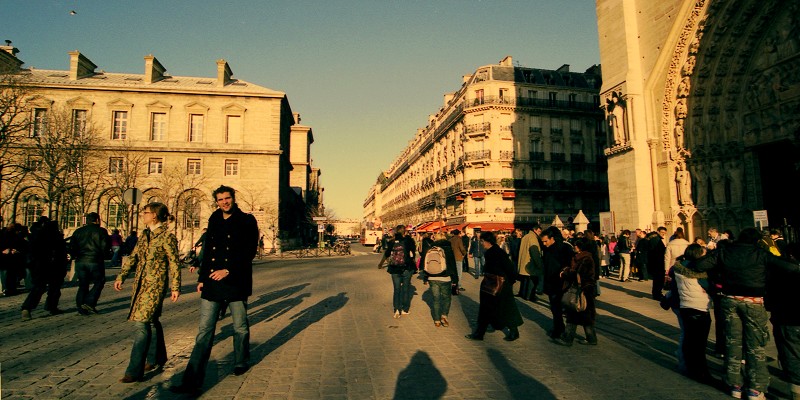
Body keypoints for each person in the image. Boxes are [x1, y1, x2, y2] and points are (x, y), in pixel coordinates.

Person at [171, 186, 259, 395]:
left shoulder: (247, 220)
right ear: (216, 202)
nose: (224, 202)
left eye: (227, 198)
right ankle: (192, 379)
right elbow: (208, 249)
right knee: (204, 331)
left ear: (233, 198)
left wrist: (228, 269)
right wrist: (202, 278)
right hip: (213, 282)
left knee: (240, 327)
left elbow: (249, 252)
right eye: (220, 199)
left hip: (236, 281)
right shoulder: (214, 218)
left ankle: (241, 361)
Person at [694, 227, 800, 400]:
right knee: (755, 345)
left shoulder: (725, 251)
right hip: (753, 301)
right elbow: (789, 267)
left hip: (730, 301)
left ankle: (735, 384)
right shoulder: (760, 253)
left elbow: (699, 265)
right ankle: (755, 389)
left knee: (733, 342)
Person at [114, 202, 181, 383]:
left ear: (155, 216)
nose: (143, 215)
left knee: (141, 324)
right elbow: (134, 256)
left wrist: (175, 287)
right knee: (151, 322)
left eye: (146, 212)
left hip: (155, 287)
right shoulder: (144, 235)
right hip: (140, 285)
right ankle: (155, 358)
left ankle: (134, 371)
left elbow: (174, 263)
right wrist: (122, 275)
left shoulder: (167, 237)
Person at [465, 231, 523, 341]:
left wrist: (508, 282)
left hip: (499, 284)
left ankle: (512, 331)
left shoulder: (496, 252)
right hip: (492, 283)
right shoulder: (492, 251)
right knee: (489, 309)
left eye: (482, 241)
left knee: (502, 308)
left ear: (487, 241)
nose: (481, 243)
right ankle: (480, 332)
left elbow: (509, 268)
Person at [672, 244, 712, 383]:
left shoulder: (678, 267)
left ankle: (688, 367)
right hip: (699, 307)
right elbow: (708, 286)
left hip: (685, 306)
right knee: (699, 344)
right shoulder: (699, 270)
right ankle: (700, 371)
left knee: (689, 339)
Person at [765, 241, 800, 400]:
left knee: (791, 355)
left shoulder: (779, 274)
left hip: (787, 319)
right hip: (787, 318)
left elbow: (770, 299)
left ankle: (796, 391)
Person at [20, 217, 68, 320]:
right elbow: (62, 253)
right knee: (54, 288)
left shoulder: (36, 237)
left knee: (38, 288)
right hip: (54, 266)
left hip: (40, 266)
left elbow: (31, 252)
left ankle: (27, 307)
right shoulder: (56, 238)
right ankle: (51, 307)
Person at [553, 237, 598, 346]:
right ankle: (591, 338)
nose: (573, 248)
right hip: (585, 290)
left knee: (573, 314)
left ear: (579, 247)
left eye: (575, 246)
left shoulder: (585, 259)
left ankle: (568, 339)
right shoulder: (582, 257)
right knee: (585, 316)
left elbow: (577, 273)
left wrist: (566, 272)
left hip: (581, 290)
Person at [69, 212, 111, 315]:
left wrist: (76, 256)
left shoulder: (78, 231)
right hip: (95, 260)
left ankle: (81, 308)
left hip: (81, 261)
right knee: (99, 282)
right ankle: (89, 302)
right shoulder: (101, 231)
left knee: (83, 284)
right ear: (97, 220)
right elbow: (105, 246)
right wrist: (104, 255)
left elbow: (72, 247)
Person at [377, 224, 416, 319]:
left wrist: (382, 263)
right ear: (404, 232)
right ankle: (405, 309)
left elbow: (386, 253)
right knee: (406, 289)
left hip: (394, 268)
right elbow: (413, 252)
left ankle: (396, 310)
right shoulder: (409, 240)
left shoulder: (392, 241)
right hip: (407, 268)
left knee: (397, 289)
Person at [541, 227, 573, 341]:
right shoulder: (547, 249)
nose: (544, 244)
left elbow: (570, 264)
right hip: (551, 283)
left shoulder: (564, 248)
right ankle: (558, 328)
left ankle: (566, 331)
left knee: (566, 309)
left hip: (562, 283)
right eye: (543, 242)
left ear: (552, 238)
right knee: (555, 308)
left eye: (546, 241)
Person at [420, 232, 458, 327]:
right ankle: (444, 315)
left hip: (432, 277)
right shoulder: (448, 249)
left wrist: (425, 278)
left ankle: (436, 320)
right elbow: (453, 265)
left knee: (436, 299)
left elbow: (426, 263)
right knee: (446, 298)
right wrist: (455, 280)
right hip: (446, 277)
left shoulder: (431, 248)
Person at [0, 222, 27, 296]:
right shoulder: (14, 236)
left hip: (6, 256)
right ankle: (9, 289)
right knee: (10, 274)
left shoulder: (5, 233)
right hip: (9, 257)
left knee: (7, 274)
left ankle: (8, 289)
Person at [517, 225, 543, 301]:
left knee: (525, 280)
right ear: (535, 230)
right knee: (532, 281)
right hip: (530, 263)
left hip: (524, 262)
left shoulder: (525, 236)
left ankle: (524, 294)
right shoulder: (533, 237)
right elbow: (535, 252)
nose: (540, 233)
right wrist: (539, 263)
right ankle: (529, 296)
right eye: (539, 231)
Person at [646, 227, 668, 299]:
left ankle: (656, 293)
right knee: (658, 279)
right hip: (657, 262)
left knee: (657, 279)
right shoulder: (656, 240)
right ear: (658, 231)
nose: (663, 234)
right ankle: (657, 294)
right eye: (662, 232)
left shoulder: (655, 239)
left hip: (655, 262)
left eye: (664, 233)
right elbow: (657, 251)